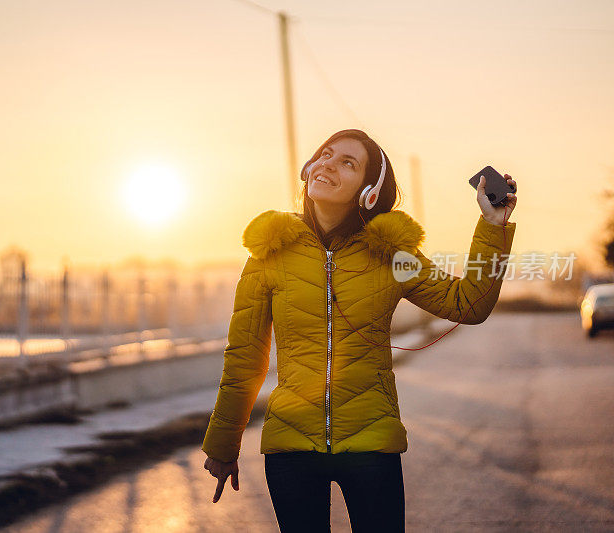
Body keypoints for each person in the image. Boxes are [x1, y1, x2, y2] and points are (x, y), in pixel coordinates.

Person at [201, 128, 518, 532]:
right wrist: (223, 444)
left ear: (369, 191)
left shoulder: (391, 254)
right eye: (325, 155)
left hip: (372, 448)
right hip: (290, 451)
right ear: (308, 169)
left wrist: (492, 226)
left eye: (347, 163)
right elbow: (245, 356)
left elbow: (467, 304)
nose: (328, 164)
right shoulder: (271, 252)